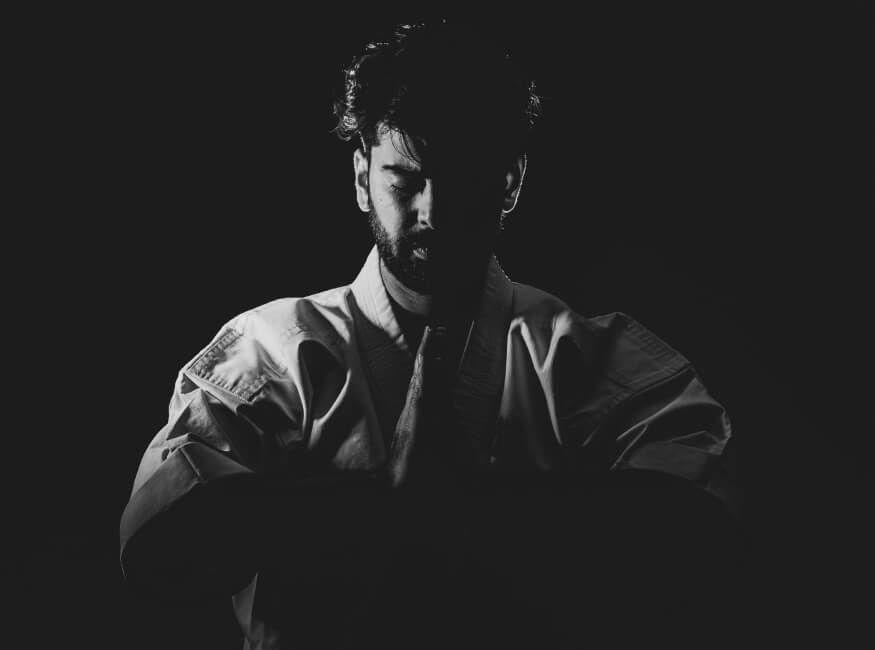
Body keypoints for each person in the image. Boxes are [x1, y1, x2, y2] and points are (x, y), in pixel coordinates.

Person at [120, 21, 738, 649]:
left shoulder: (592, 359)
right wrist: (398, 509)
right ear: (362, 176)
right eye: (405, 178)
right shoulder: (272, 351)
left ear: (510, 180)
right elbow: (157, 541)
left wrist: (446, 514)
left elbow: (698, 529)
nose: (433, 213)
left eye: (465, 176)